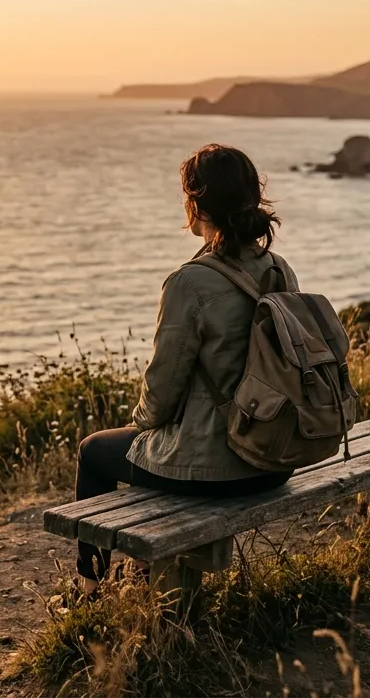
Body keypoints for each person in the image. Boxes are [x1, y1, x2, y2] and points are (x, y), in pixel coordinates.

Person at [75, 143, 295, 593]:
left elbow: (161, 393)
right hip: (276, 458)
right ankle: (140, 574)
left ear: (197, 204)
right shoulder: (279, 270)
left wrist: (142, 429)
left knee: (95, 451)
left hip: (219, 470)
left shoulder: (189, 282)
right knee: (142, 449)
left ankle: (91, 592)